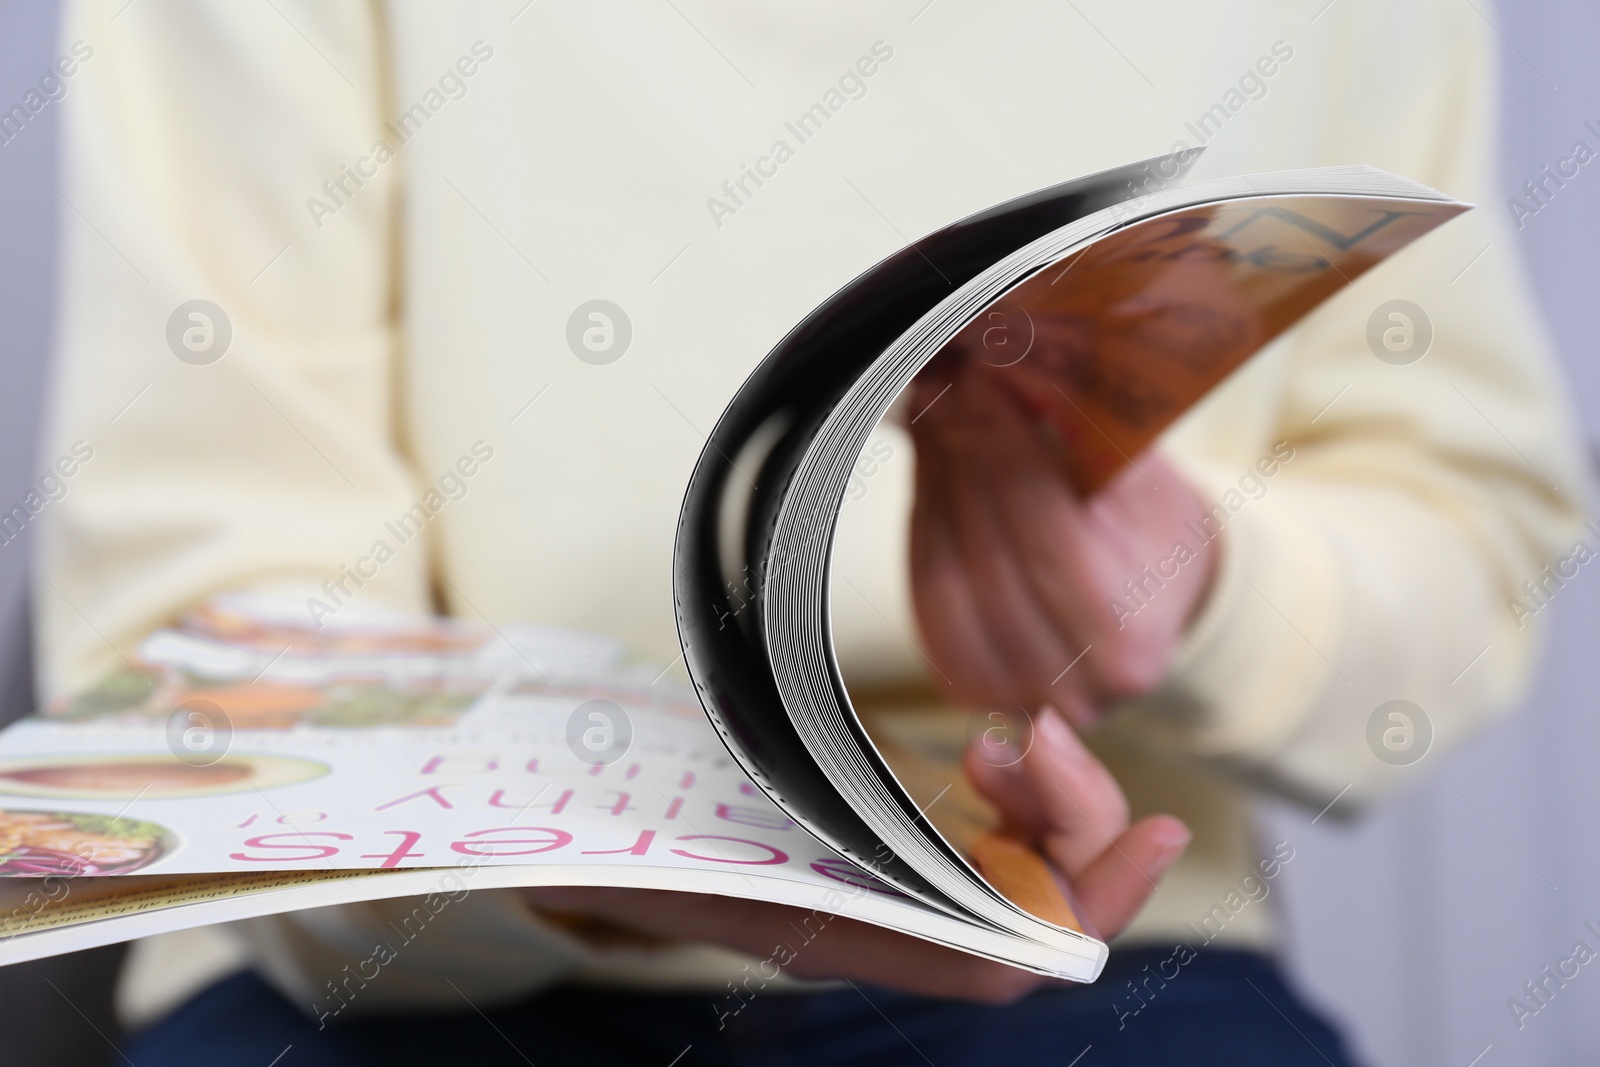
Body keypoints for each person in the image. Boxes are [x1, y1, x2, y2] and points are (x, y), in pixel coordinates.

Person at [36, 1, 1587, 1064]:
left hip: (1083, 949)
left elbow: (1466, 526)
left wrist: (1195, 589)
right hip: (384, 975)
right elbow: (202, 644)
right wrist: (603, 863)